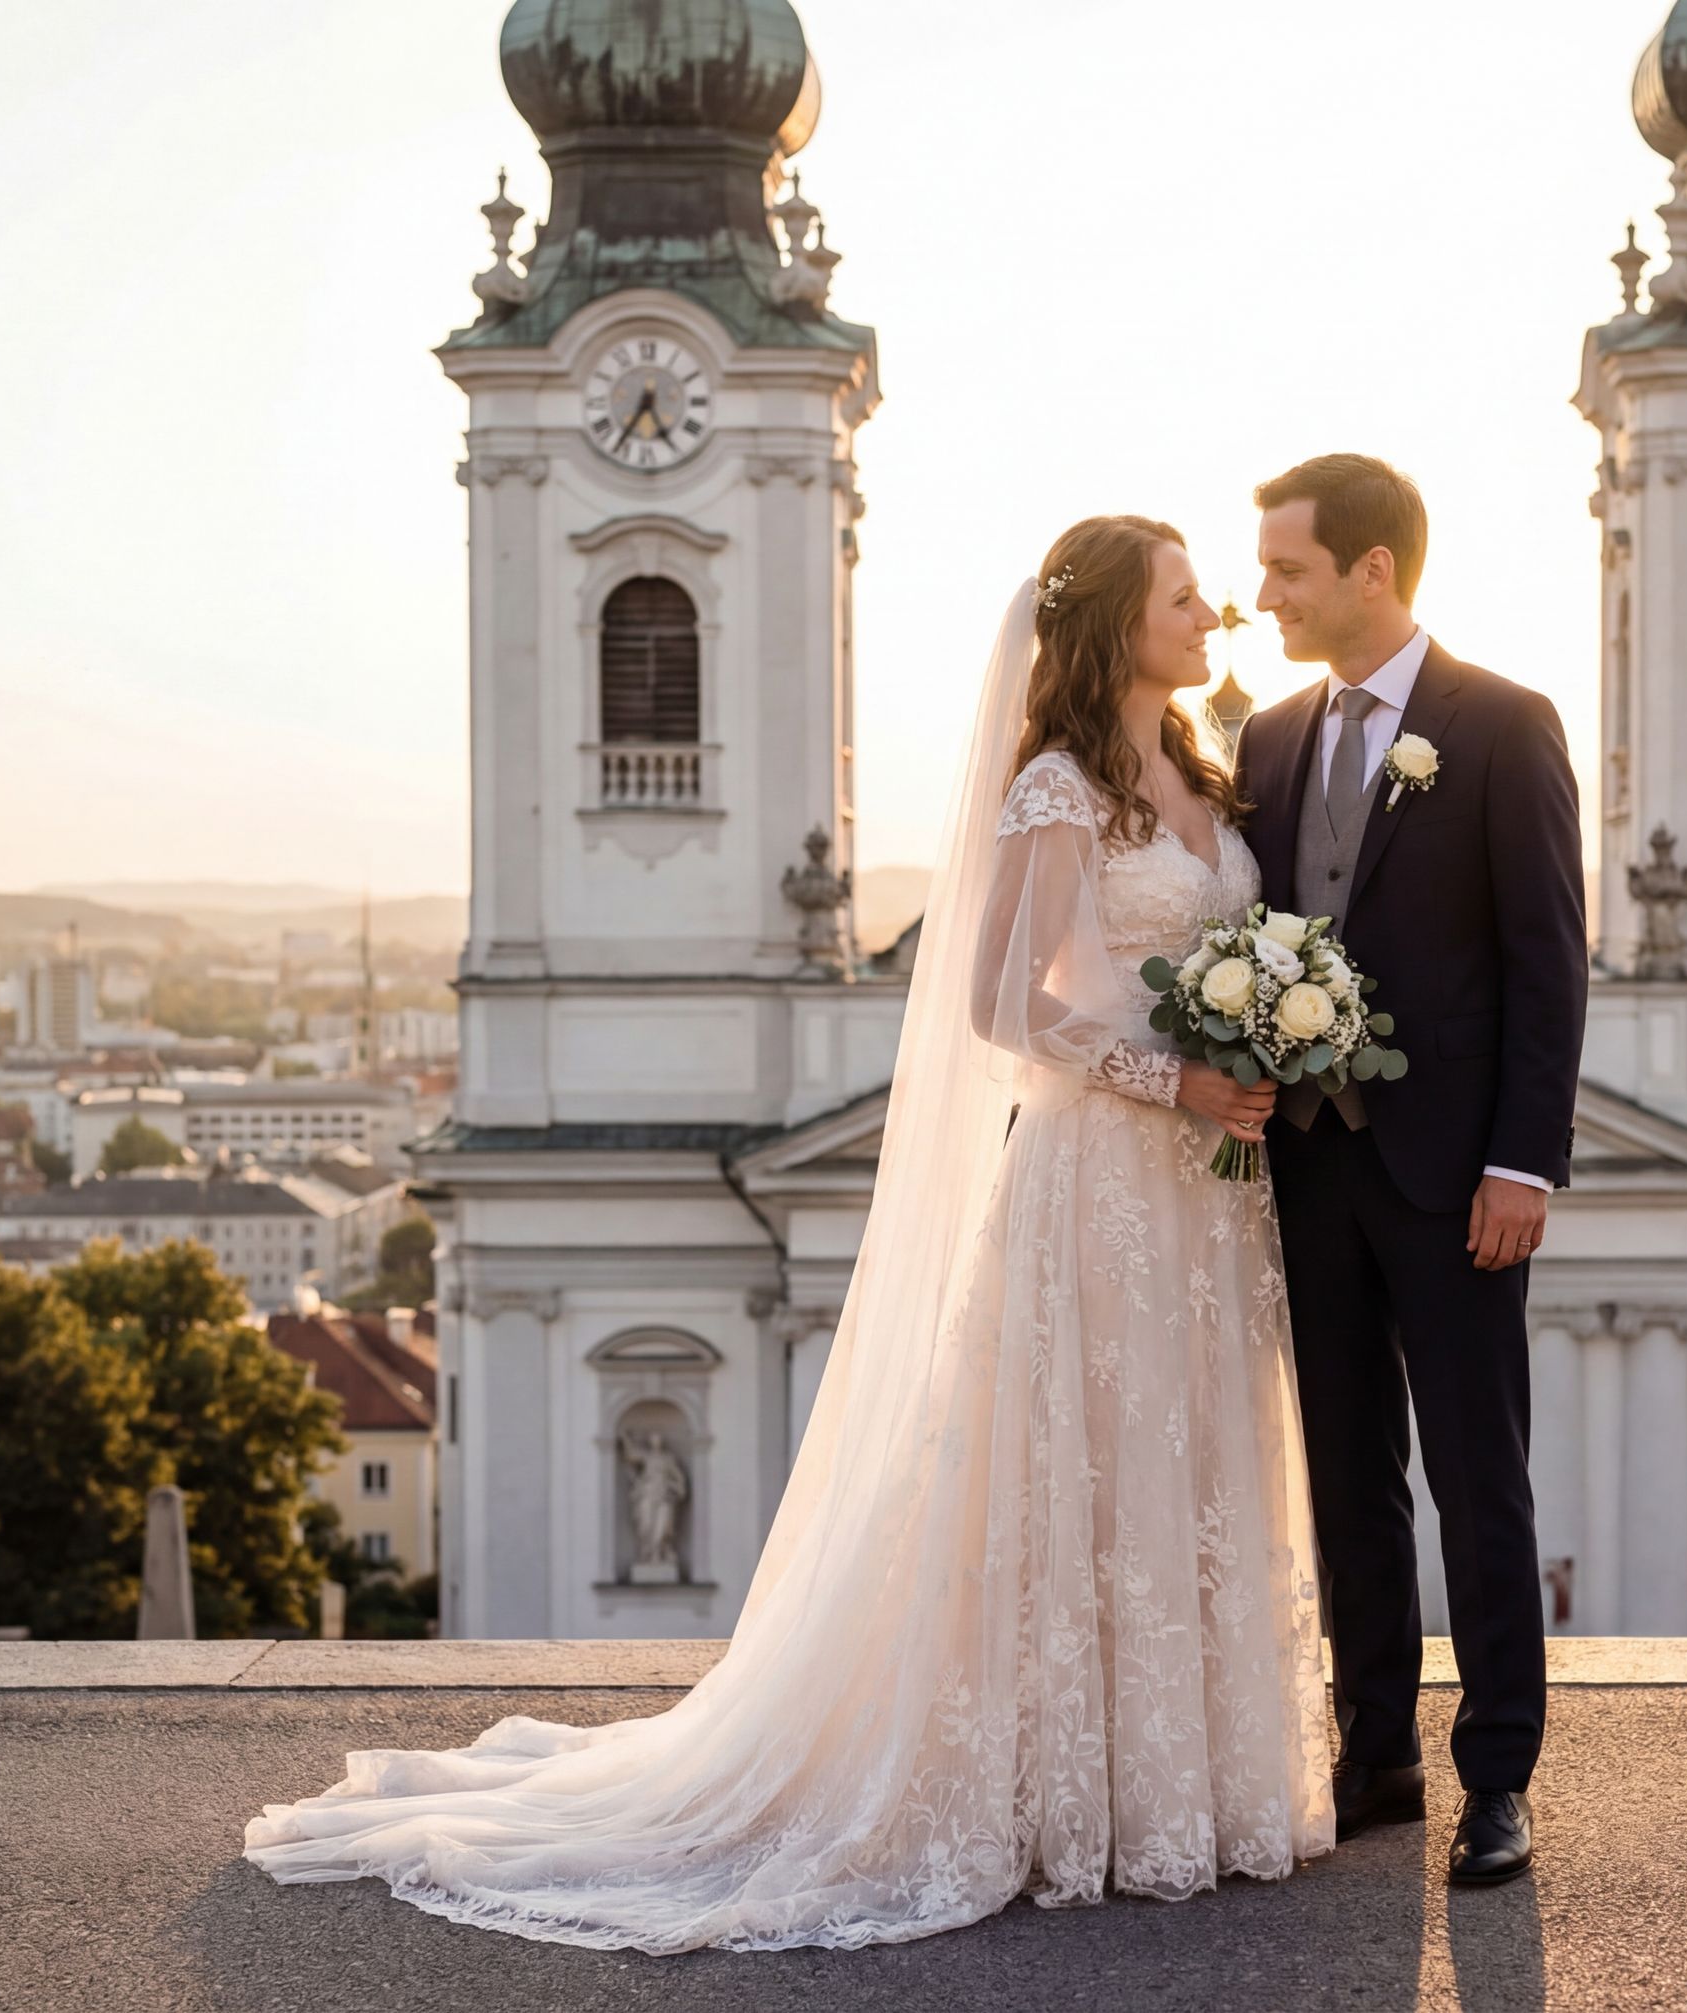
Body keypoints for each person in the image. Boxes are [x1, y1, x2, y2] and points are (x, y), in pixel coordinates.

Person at [243, 515, 1334, 1951]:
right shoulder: (1056, 786)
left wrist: (1265, 1031)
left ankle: (1177, 1787)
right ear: (1116, 623)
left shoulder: (1206, 771)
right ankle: (1072, 1793)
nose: (1215, 617)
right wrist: (1168, 1073)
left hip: (1203, 1192)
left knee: (1181, 1464)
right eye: (1186, 597)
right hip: (1101, 1178)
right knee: (1078, 1469)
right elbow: (1003, 1004)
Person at [1237, 454, 1586, 1887]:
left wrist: (1525, 1162)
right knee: (1345, 1470)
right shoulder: (1265, 738)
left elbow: (1546, 960)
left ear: (1372, 570)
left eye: (1288, 571)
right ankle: (1375, 1745)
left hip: (1457, 1177)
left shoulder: (1502, 725)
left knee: (1476, 1475)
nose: (1265, 595)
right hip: (1307, 1172)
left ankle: (1495, 1772)